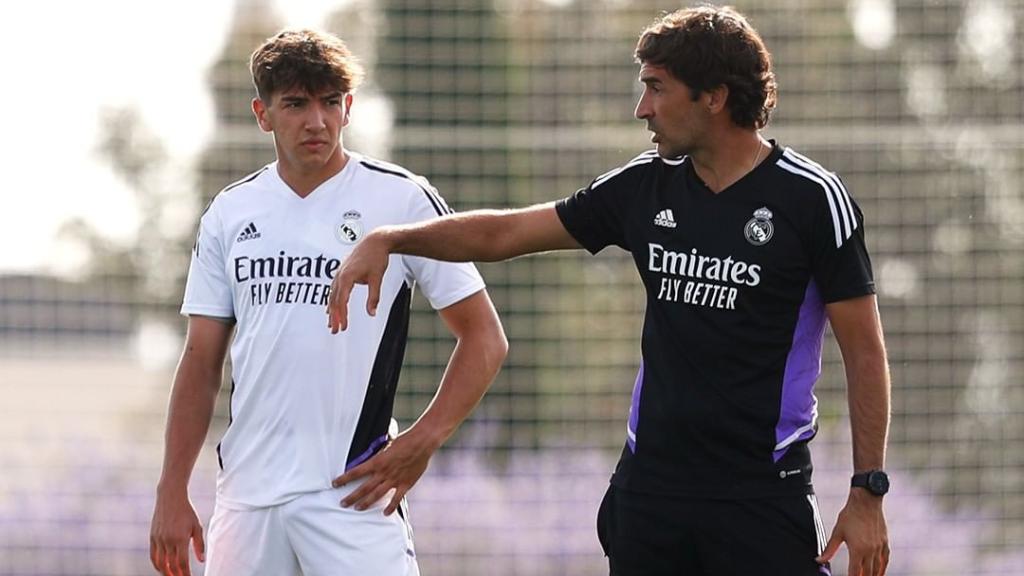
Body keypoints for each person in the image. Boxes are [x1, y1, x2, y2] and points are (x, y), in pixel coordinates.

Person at [327, 6, 891, 576]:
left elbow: (865, 354)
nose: (642, 108)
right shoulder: (645, 185)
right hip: (649, 495)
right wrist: (393, 239)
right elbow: (507, 232)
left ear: (714, 97)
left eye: (657, 88)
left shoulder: (812, 199)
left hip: (762, 497)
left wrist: (867, 490)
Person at [149, 29, 507, 576]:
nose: (316, 121)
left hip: (354, 494)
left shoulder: (401, 199)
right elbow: (200, 361)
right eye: (296, 104)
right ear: (263, 114)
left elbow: (484, 338)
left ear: (349, 108)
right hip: (248, 499)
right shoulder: (230, 212)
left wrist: (424, 439)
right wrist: (172, 489)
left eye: (330, 102)